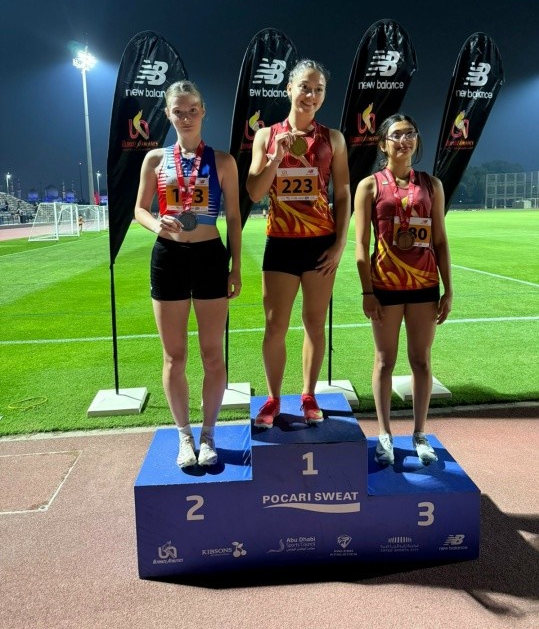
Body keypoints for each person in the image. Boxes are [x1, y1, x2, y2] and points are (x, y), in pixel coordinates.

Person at [134, 80, 242, 468]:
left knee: (213, 354)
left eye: (192, 110)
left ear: (203, 111)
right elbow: (139, 209)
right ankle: (184, 436)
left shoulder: (223, 161)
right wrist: (157, 225)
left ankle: (209, 435)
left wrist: (236, 266)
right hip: (169, 258)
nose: (186, 117)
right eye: (178, 111)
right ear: (168, 114)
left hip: (211, 257)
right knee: (174, 356)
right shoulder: (155, 159)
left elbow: (234, 217)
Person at [246, 59, 351, 428]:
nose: (311, 95)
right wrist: (276, 157)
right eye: (305, 86)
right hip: (281, 242)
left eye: (319, 89)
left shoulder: (333, 139)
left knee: (314, 323)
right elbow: (254, 191)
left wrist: (340, 245)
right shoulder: (266, 136)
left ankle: (308, 395)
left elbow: (343, 193)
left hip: (320, 244)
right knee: (275, 326)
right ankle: (273, 399)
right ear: (289, 88)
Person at [354, 113, 453, 466]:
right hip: (385, 286)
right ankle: (384, 434)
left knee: (421, 360)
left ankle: (419, 434)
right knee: (385, 360)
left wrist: (448, 290)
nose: (404, 140)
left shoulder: (431, 184)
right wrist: (367, 292)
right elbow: (360, 244)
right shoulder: (369, 186)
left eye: (410, 133)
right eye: (396, 135)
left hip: (425, 285)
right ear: (383, 144)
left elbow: (440, 240)